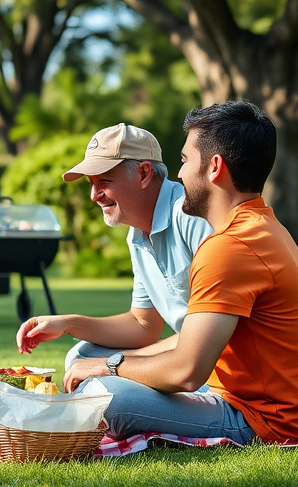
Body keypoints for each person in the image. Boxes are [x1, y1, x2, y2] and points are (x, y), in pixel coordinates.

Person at [64, 101, 298, 444]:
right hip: (257, 399)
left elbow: (187, 371)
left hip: (266, 419)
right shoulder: (260, 225)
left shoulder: (230, 247)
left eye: (184, 160)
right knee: (95, 376)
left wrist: (108, 365)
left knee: (104, 397)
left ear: (214, 167)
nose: (178, 174)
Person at [17, 123, 213, 368]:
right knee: (81, 356)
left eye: (105, 180)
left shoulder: (191, 217)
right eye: (91, 183)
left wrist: (113, 366)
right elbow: (143, 325)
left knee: (107, 385)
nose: (94, 194)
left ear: (144, 173)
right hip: (187, 356)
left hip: (214, 368)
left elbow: (205, 342)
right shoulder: (137, 235)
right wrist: (67, 323)